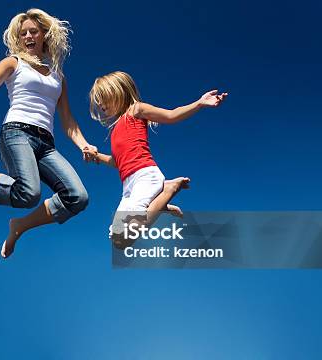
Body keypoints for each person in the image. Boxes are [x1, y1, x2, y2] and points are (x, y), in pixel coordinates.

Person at [0, 9, 98, 258]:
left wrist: (83, 144)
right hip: (16, 133)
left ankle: (20, 226)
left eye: (33, 31)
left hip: (46, 144)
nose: (28, 36)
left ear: (44, 36)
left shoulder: (59, 77)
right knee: (29, 193)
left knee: (77, 197)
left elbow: (68, 121)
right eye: (23, 32)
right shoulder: (13, 63)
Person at [85, 71, 227, 249]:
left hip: (145, 176)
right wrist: (97, 156)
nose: (100, 104)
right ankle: (161, 205)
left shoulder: (136, 110)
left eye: (103, 98)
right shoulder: (115, 131)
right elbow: (118, 162)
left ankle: (168, 189)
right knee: (117, 238)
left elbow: (171, 115)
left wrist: (199, 103)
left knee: (126, 235)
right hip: (129, 186)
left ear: (118, 92)